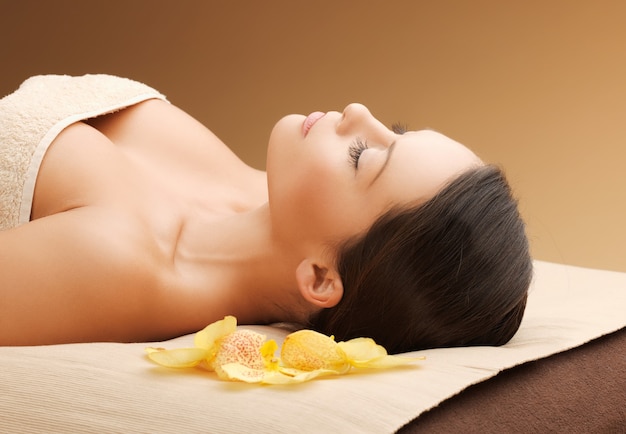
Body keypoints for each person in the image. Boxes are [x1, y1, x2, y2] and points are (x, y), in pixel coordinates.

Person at [0, 75, 532, 351]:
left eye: (363, 156)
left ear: (321, 277)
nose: (358, 113)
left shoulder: (123, 262)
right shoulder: (259, 198)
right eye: (394, 130)